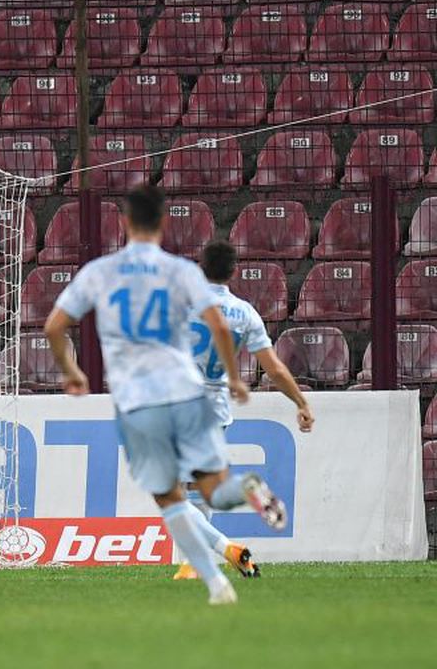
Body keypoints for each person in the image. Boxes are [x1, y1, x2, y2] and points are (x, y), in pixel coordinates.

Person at [44, 185, 288, 606]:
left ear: (124, 222)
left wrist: (73, 373)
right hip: (190, 394)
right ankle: (248, 487)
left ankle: (217, 585)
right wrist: (234, 377)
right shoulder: (182, 272)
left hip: (140, 400)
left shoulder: (100, 271)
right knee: (213, 491)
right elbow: (216, 322)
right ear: (161, 224)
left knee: (169, 496)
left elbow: (53, 327)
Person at [172, 239, 315, 581]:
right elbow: (275, 369)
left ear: (199, 267)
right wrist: (301, 402)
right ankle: (195, 564)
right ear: (233, 272)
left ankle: (224, 550)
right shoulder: (245, 313)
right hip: (216, 408)